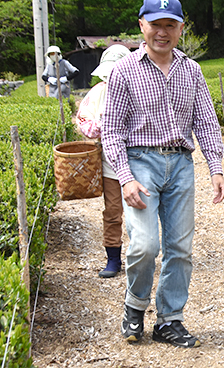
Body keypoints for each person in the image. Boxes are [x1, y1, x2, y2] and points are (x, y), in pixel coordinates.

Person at [102, 0, 224, 348]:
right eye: (155, 25)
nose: (162, 32)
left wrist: (215, 168)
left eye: (169, 25)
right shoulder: (125, 70)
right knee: (144, 245)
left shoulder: (191, 69)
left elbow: (205, 120)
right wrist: (124, 177)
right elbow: (111, 129)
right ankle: (135, 305)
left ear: (180, 28)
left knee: (180, 248)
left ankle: (170, 320)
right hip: (141, 164)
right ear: (142, 25)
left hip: (181, 165)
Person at [75, 44, 131, 279]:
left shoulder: (140, 88)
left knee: (141, 212)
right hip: (111, 164)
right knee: (113, 211)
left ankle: (140, 256)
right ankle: (113, 258)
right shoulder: (98, 92)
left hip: (140, 161)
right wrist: (103, 125)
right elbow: (84, 122)